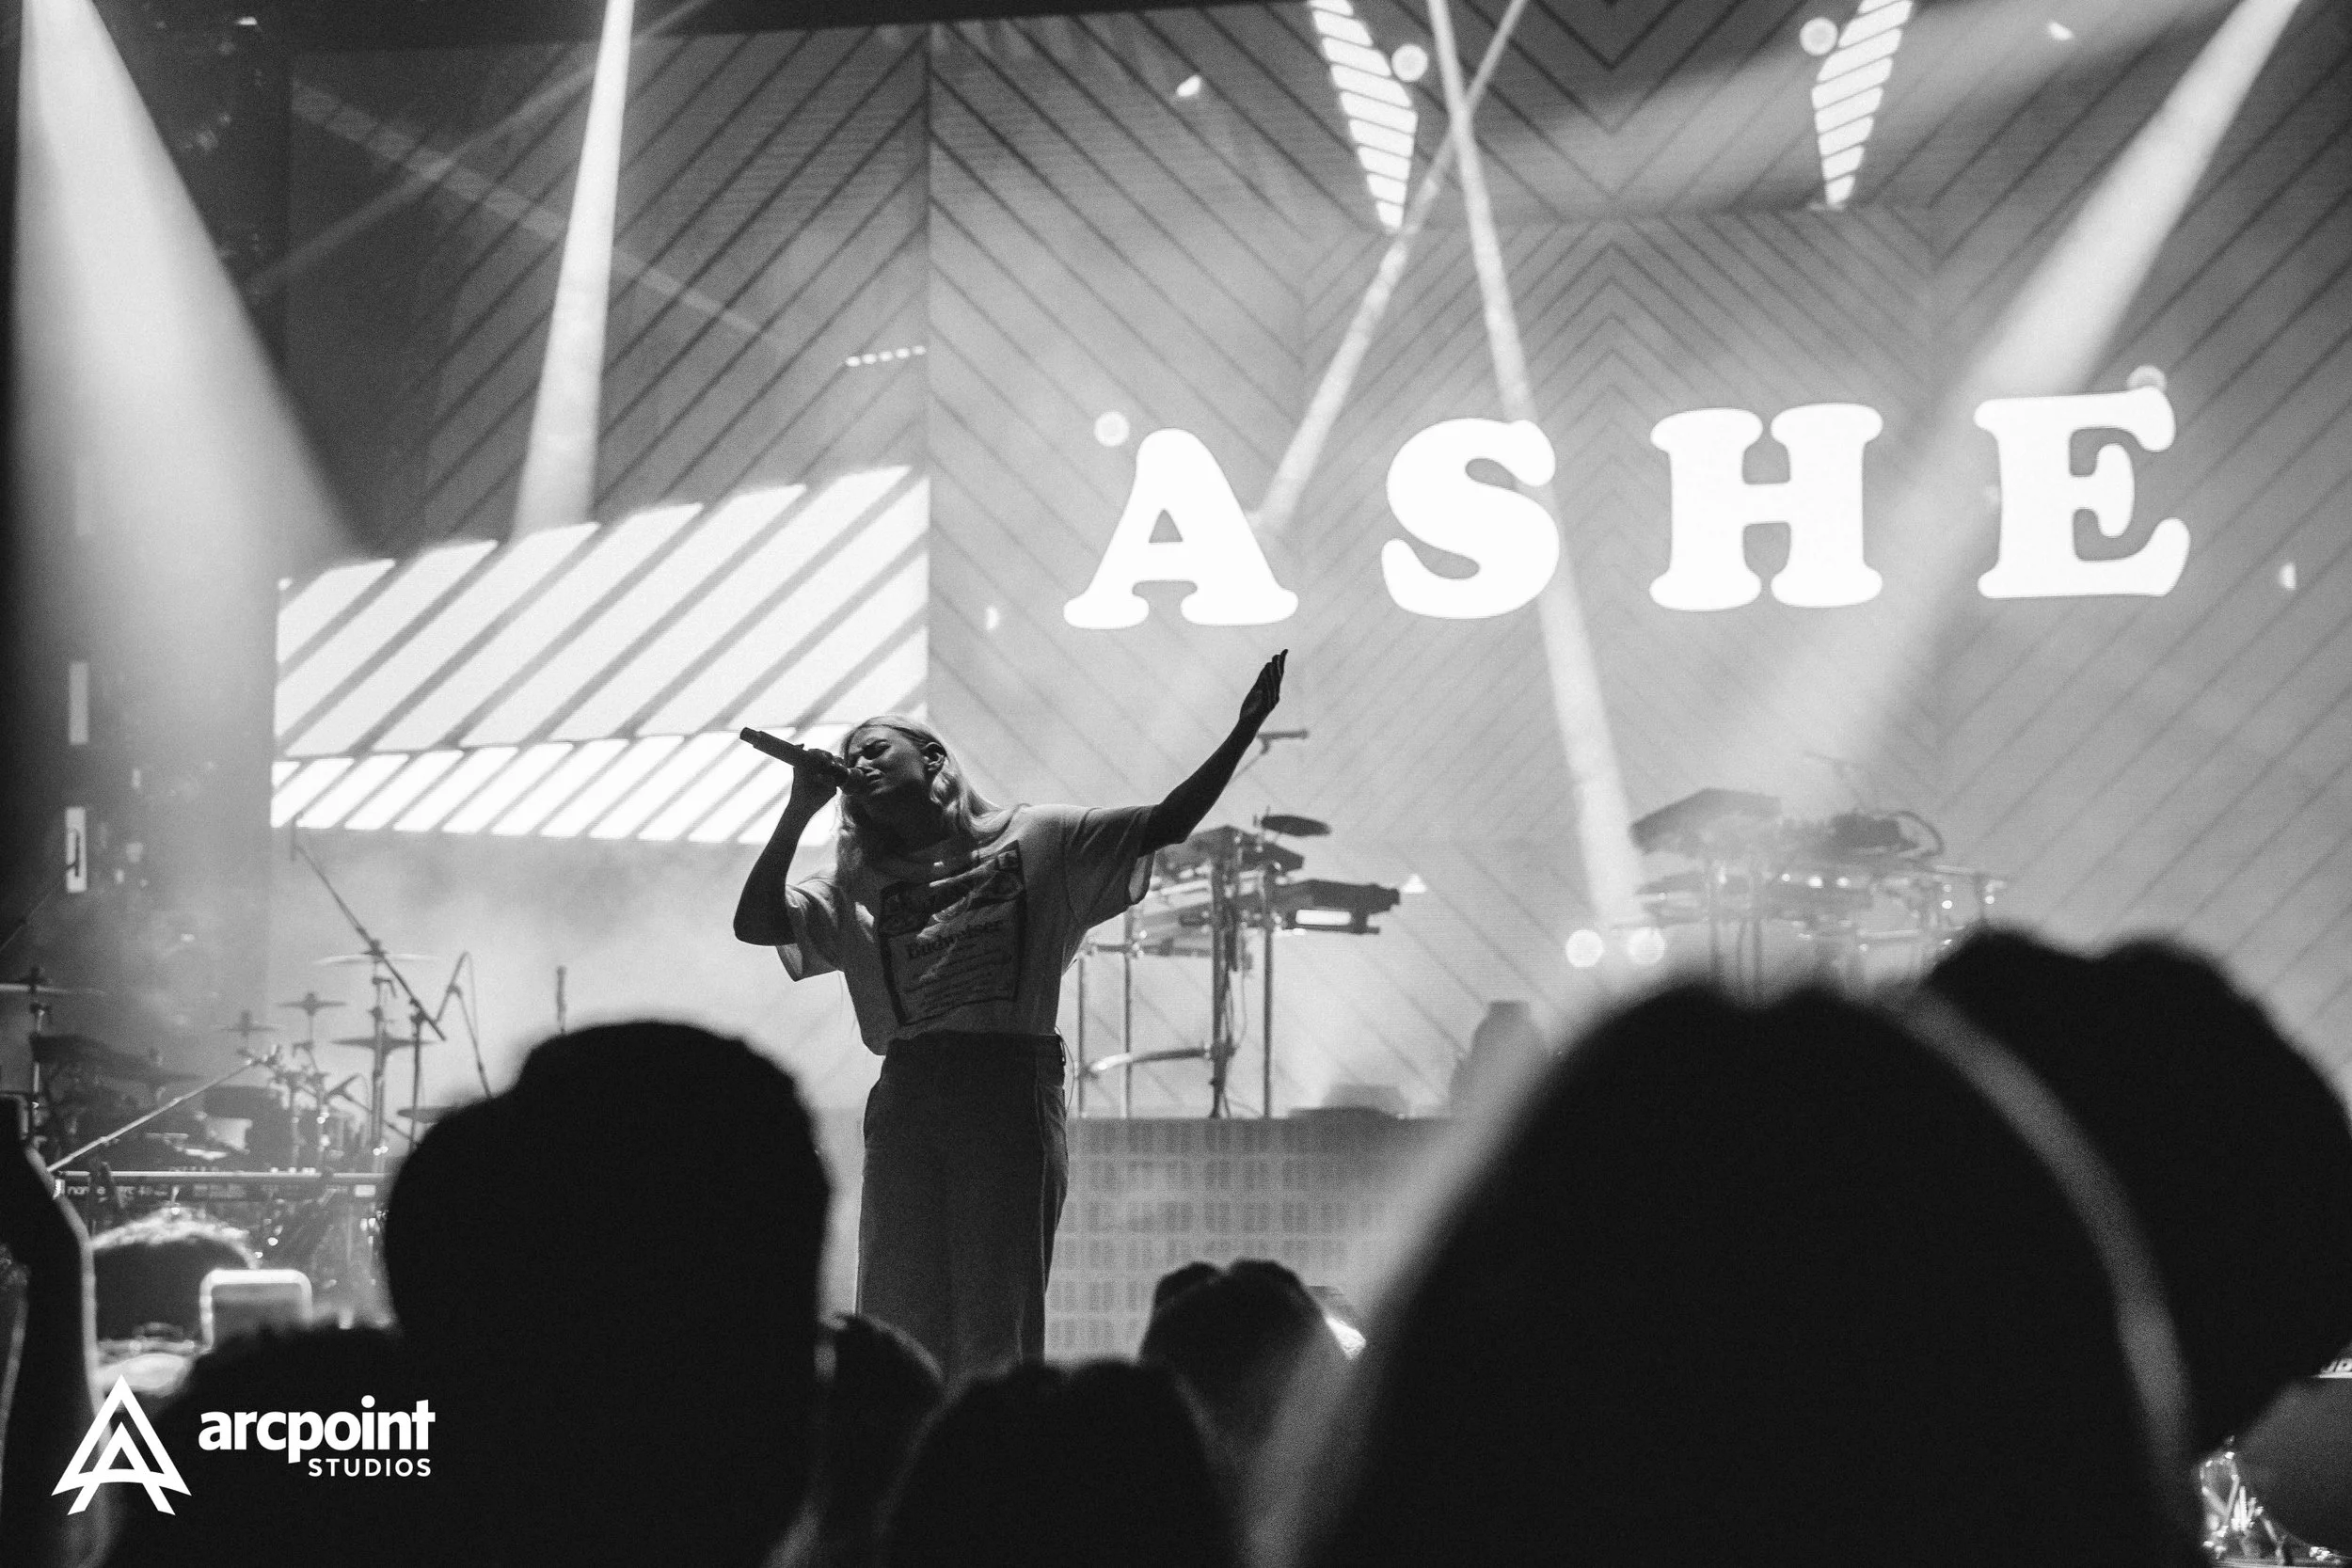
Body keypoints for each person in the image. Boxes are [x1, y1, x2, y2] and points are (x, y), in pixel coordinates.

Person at [733, 653, 1287, 1382]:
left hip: (1007, 1082)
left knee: (996, 1312)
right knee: (896, 1314)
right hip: (909, 1087)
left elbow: (1165, 820)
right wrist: (800, 806)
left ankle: (993, 1470)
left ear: (932, 758)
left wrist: (1244, 729)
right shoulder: (856, 880)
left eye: (875, 748)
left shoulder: (1037, 838)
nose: (858, 763)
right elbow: (756, 921)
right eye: (848, 758)